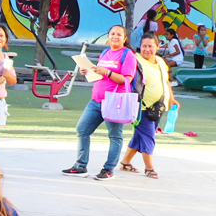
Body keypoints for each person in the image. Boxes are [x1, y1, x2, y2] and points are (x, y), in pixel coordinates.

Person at [61, 24, 136, 181]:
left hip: (115, 101)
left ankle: (108, 170)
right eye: (112, 34)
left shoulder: (128, 55)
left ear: (125, 38)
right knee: (82, 129)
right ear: (108, 36)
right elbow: (100, 75)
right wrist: (89, 71)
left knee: (115, 135)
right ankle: (81, 166)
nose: (115, 37)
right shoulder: (106, 52)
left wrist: (108, 72)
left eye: (119, 34)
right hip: (96, 100)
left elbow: (126, 80)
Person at [119, 33, 176, 179]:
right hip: (141, 108)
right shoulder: (135, 60)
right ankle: (149, 168)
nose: (147, 49)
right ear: (140, 47)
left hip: (158, 108)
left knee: (140, 136)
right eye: (144, 46)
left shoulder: (160, 61)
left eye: (150, 46)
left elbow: (166, 81)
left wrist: (172, 99)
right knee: (148, 136)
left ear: (157, 47)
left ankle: (125, 163)